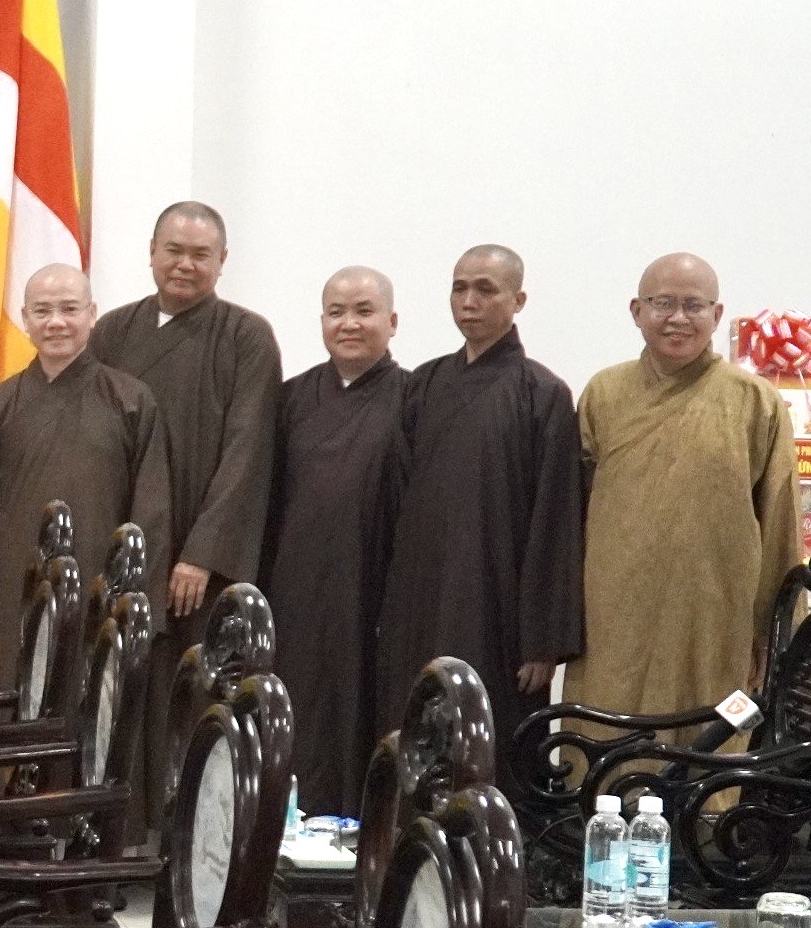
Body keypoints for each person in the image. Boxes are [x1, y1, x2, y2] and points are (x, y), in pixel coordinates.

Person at [0, 264, 170, 833]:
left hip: (100, 600)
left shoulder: (132, 401)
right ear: (24, 319)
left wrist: (133, 604)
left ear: (91, 314)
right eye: (43, 311)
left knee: (97, 715)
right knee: (9, 710)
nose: (56, 322)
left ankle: (94, 853)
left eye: (69, 309)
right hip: (14, 593)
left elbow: (152, 510)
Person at [562, 253, 801, 731]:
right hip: (613, 615)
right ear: (636, 311)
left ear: (716, 315)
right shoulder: (604, 394)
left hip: (713, 619)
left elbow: (779, 526)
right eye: (662, 303)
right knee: (603, 746)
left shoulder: (755, 401)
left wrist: (775, 636)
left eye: (693, 305)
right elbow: (569, 518)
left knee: (706, 753)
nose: (677, 318)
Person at [376, 244, 584, 742]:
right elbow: (398, 502)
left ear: (519, 300)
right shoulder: (423, 384)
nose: (468, 300)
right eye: (459, 287)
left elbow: (555, 520)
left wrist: (541, 642)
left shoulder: (543, 393)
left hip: (497, 610)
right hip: (418, 599)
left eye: (485, 289)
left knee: (490, 738)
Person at [88, 201, 279, 645]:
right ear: (152, 251)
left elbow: (247, 452)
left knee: (185, 677)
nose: (185, 265)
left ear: (222, 261)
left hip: (193, 556)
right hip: (120, 537)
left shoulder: (246, 336)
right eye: (174, 250)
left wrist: (202, 554)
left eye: (201, 255)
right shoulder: (113, 330)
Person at [260, 268, 406, 816]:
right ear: (321, 320)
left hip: (372, 592)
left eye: (364, 312)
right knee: (295, 711)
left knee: (365, 712)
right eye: (336, 312)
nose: (350, 324)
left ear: (391, 322)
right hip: (294, 591)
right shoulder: (290, 398)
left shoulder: (413, 399)